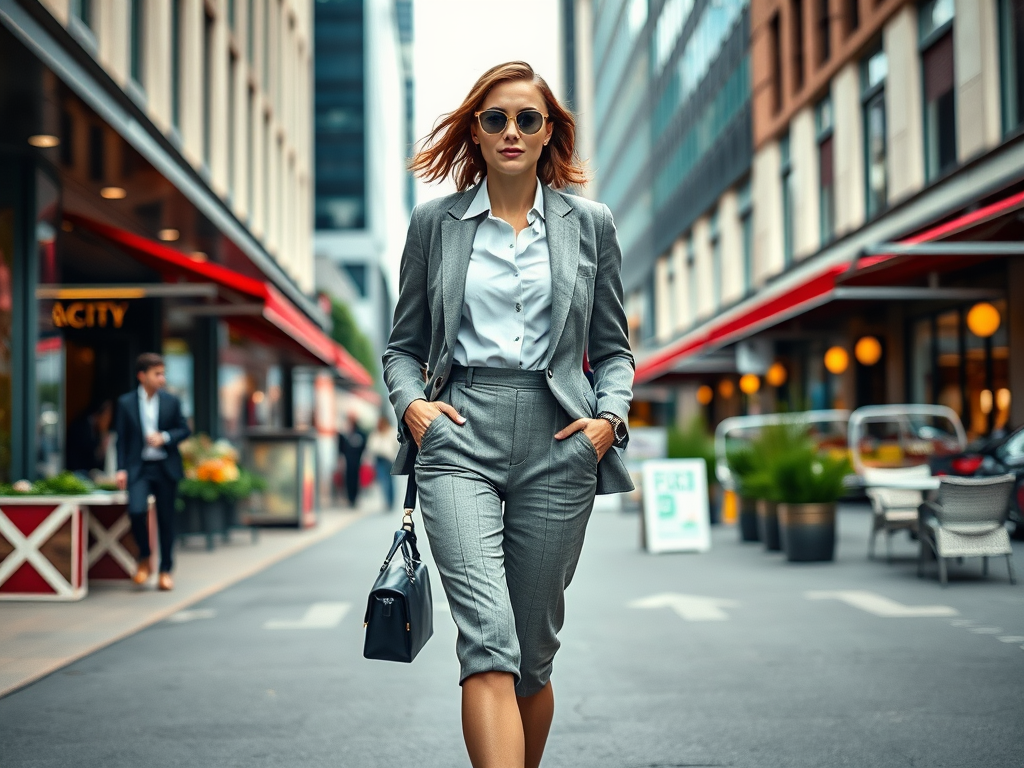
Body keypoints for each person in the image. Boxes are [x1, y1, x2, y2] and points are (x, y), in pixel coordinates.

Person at [383, 62, 634, 768]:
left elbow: (613, 350)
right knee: (488, 639)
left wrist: (606, 422)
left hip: (561, 439)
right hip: (458, 433)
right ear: (477, 131)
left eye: (528, 118)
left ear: (548, 130)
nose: (512, 131)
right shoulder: (435, 223)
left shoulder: (591, 225)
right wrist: (415, 411)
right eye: (496, 119)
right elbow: (402, 348)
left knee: (531, 655)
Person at [115, 353, 191, 591]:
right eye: (157, 374)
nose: (162, 378)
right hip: (139, 468)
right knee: (136, 511)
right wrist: (120, 469)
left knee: (166, 521)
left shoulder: (172, 401)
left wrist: (164, 437)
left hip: (165, 467)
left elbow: (184, 430)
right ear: (142, 376)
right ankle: (145, 557)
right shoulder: (126, 403)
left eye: (163, 373)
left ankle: (165, 570)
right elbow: (122, 439)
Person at [66, 399, 113, 473]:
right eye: (107, 414)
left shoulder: (94, 429)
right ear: (99, 413)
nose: (109, 419)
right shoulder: (81, 427)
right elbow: (86, 460)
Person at [366, 416, 399, 510]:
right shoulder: (376, 433)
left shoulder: (391, 432)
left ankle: (391, 501)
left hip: (388, 459)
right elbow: (371, 446)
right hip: (379, 459)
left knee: (390, 481)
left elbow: (396, 445)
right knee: (383, 481)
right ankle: (387, 501)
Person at [337, 415, 367, 508]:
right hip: (348, 460)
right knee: (348, 479)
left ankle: (354, 498)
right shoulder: (345, 434)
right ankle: (350, 498)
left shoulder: (360, 433)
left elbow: (363, 446)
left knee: (355, 479)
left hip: (357, 460)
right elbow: (341, 447)